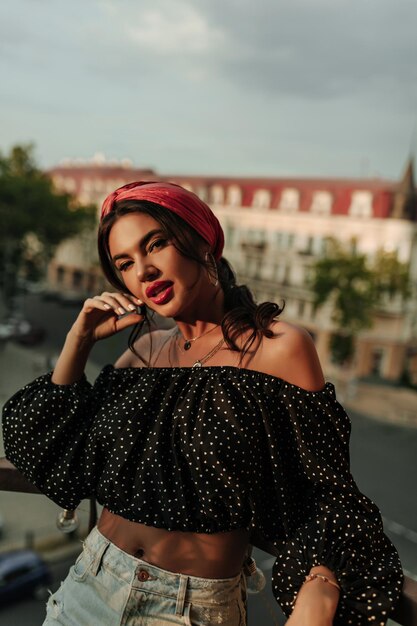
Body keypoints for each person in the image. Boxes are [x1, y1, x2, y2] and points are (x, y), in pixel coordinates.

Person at [2, 181, 403, 626]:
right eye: (125, 264)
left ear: (203, 242)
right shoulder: (142, 352)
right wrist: (77, 340)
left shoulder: (279, 348)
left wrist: (319, 592)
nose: (144, 271)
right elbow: (49, 444)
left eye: (155, 245)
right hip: (89, 586)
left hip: (188, 609)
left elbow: (327, 491)